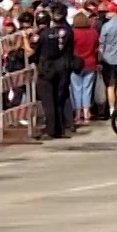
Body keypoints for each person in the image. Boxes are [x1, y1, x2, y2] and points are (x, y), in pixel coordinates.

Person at [33, 9, 74, 140]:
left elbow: (31, 52)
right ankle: (60, 128)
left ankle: (50, 130)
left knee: (48, 101)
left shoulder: (39, 35)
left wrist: (24, 40)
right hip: (60, 69)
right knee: (58, 100)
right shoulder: (59, 32)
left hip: (46, 70)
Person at [69, 9, 100, 130]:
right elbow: (97, 47)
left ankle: (78, 114)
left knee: (76, 89)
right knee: (87, 89)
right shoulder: (93, 32)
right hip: (90, 63)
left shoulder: (73, 33)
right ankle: (87, 113)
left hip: (75, 64)